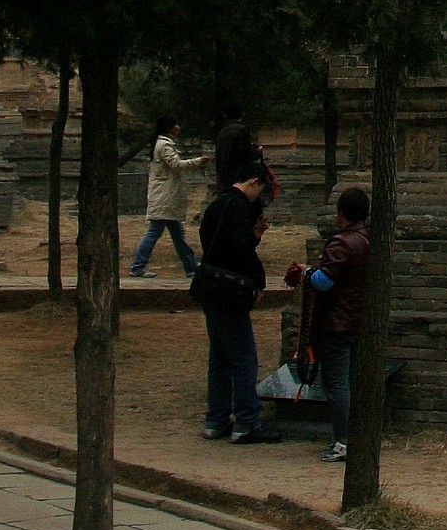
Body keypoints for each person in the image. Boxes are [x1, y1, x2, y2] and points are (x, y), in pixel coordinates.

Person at [195, 160, 281, 443]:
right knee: (244, 358)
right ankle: (247, 421)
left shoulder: (216, 205)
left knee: (219, 357)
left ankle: (216, 419)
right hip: (230, 291)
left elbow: (216, 244)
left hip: (208, 284)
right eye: (261, 190)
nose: (260, 198)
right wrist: (258, 281)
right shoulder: (240, 208)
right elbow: (241, 250)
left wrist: (253, 237)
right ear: (252, 182)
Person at [287, 187, 370, 464]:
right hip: (358, 320)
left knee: (336, 385)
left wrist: (306, 272)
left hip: (336, 323)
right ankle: (357, 436)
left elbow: (324, 281)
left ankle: (343, 440)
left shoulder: (341, 243)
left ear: (342, 213)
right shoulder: (368, 240)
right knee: (351, 381)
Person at [129, 115, 203, 278]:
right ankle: (138, 265)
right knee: (155, 232)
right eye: (176, 124)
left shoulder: (161, 143)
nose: (179, 127)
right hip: (165, 196)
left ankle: (190, 266)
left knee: (177, 234)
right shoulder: (164, 145)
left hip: (165, 196)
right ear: (169, 127)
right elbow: (176, 165)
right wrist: (197, 161)